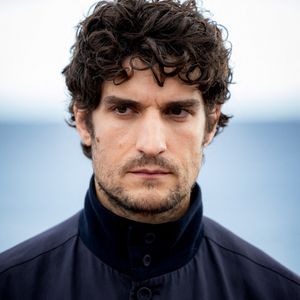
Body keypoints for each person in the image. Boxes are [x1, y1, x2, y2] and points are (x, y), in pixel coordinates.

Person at [0, 0, 299, 298]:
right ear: (84, 121)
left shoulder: (278, 292)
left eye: (177, 111)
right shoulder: (12, 285)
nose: (152, 145)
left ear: (209, 125)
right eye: (124, 110)